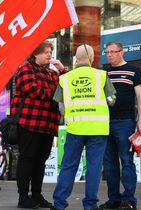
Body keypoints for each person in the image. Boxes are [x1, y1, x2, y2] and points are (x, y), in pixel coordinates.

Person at [51, 44, 116, 210]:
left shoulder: (65, 79)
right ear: (92, 58)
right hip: (98, 129)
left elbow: (61, 107)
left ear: (76, 59)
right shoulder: (101, 76)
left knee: (68, 166)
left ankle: (59, 204)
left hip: (75, 129)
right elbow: (111, 101)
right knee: (94, 168)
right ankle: (90, 205)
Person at [11, 41, 67, 209]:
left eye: (50, 52)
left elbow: (67, 87)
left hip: (48, 124)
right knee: (27, 159)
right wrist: (56, 95)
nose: (49, 55)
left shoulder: (51, 72)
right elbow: (34, 91)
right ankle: (23, 197)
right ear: (35, 54)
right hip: (30, 122)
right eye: (46, 52)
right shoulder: (25, 69)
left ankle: (36, 194)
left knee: (41, 161)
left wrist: (62, 69)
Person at [99, 42, 141, 210]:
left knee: (126, 161)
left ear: (122, 52)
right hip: (105, 122)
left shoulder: (134, 71)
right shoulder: (104, 72)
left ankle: (129, 200)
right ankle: (114, 199)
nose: (109, 55)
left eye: (113, 52)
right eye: (107, 52)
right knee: (109, 163)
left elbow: (140, 97)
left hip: (125, 122)